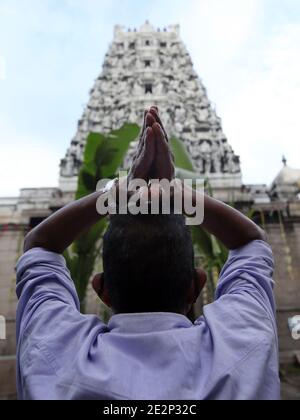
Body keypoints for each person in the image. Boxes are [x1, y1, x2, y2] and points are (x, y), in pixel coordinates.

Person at [16, 107, 280, 400]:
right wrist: (172, 188)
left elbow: (39, 243)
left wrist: (123, 188)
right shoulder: (241, 348)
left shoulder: (55, 358)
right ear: (196, 284)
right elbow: (252, 240)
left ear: (102, 289)